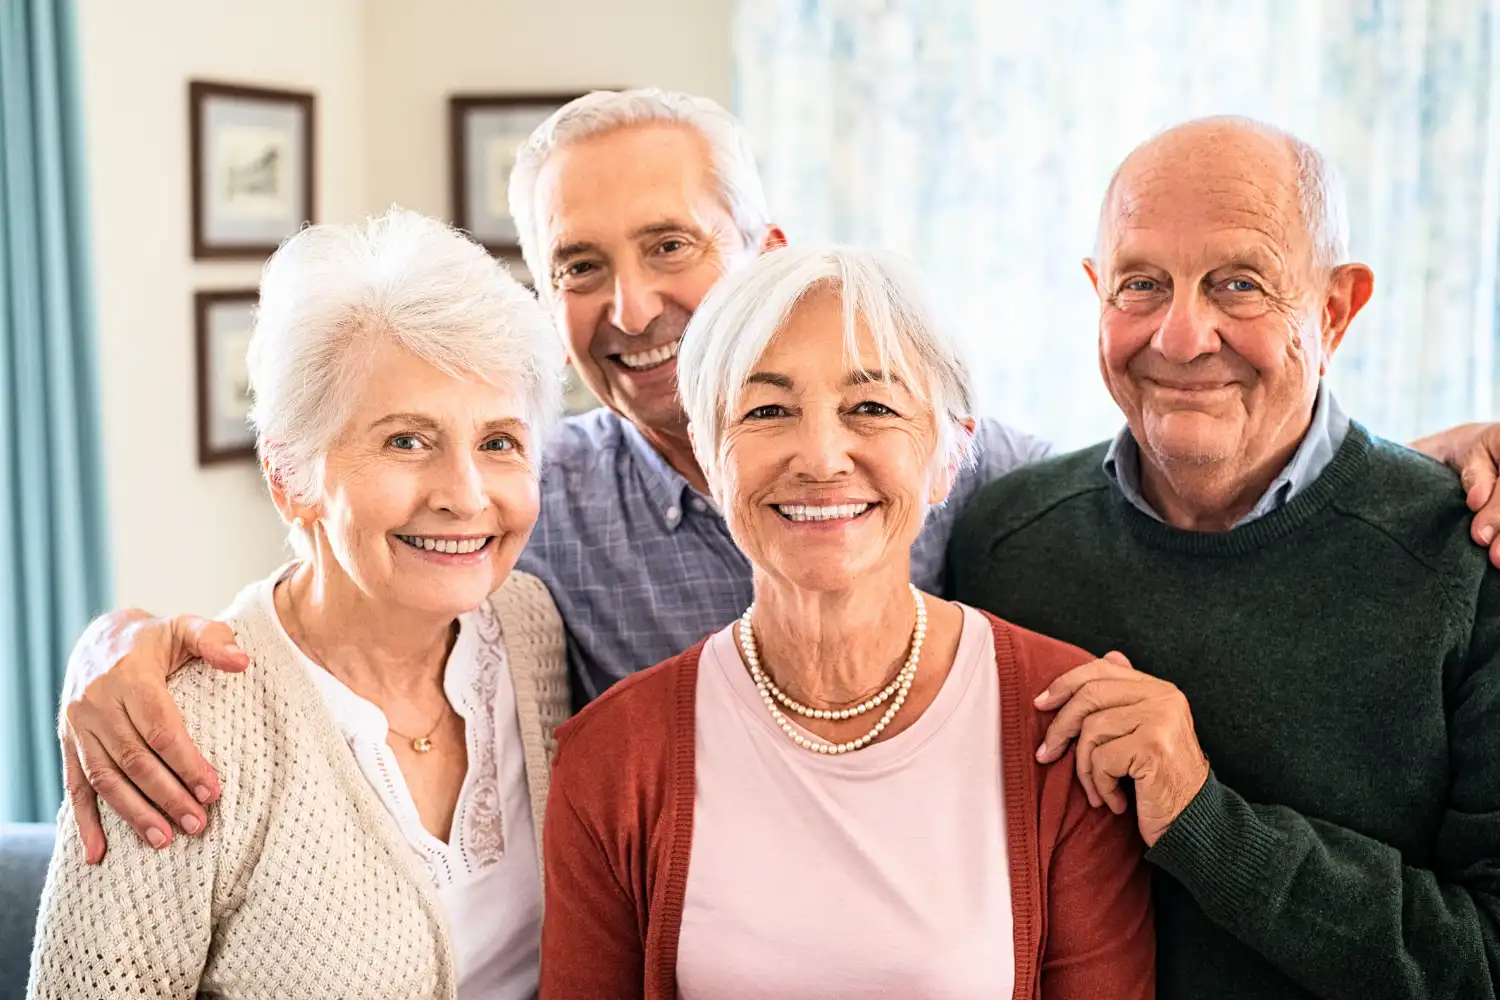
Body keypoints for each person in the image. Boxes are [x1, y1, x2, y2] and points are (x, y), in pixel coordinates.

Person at [53, 89, 1500, 860]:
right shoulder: (527, 502)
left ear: (765, 252)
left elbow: (1190, 449)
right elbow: (332, 588)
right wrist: (122, 647)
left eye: (669, 247)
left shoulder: (964, 477)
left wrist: (1432, 457)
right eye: (579, 267)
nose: (631, 307)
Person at [947, 117, 1500, 999]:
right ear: (1096, 293)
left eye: (1238, 284)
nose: (1180, 336)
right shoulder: (1002, 541)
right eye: (1141, 284)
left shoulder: (1470, 559)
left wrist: (1204, 819)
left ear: (1334, 311)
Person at [540, 245, 1155, 999]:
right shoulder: (611, 757)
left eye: (871, 407)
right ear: (707, 451)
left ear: (950, 452)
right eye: (767, 411)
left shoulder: (1064, 726)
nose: (822, 457)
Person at [27, 209, 570, 1000]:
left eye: (498, 442)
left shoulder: (532, 630)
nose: (464, 495)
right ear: (290, 477)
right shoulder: (177, 731)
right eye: (406, 440)